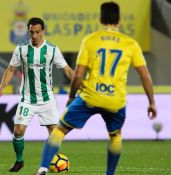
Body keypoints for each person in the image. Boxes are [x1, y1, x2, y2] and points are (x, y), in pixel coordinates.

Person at [36, 2, 157, 175]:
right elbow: (145, 76)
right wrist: (152, 102)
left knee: (60, 130)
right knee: (115, 136)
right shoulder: (130, 44)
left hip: (90, 96)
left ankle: (43, 168)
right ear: (119, 19)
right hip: (116, 100)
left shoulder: (91, 40)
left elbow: (78, 75)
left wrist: (71, 98)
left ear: (101, 18)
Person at [0, 17, 74, 172]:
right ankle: (19, 160)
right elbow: (11, 69)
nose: (35, 35)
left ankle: (51, 162)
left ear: (43, 30)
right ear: (28, 31)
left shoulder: (52, 49)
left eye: (37, 32)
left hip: (47, 99)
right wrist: (2, 87)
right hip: (27, 99)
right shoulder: (21, 49)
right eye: (31, 32)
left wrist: (79, 86)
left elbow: (67, 70)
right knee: (18, 131)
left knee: (54, 134)